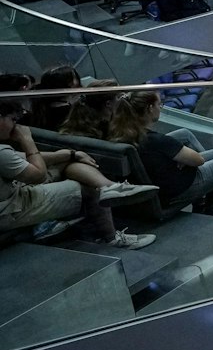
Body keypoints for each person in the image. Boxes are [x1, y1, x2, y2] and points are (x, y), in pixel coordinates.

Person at [0, 101, 155, 249]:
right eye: (12, 120)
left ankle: (110, 187)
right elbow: (38, 175)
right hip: (11, 210)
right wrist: (27, 140)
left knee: (67, 164)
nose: (16, 125)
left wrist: (71, 154)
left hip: (10, 195)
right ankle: (112, 238)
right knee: (88, 188)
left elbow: (20, 158)